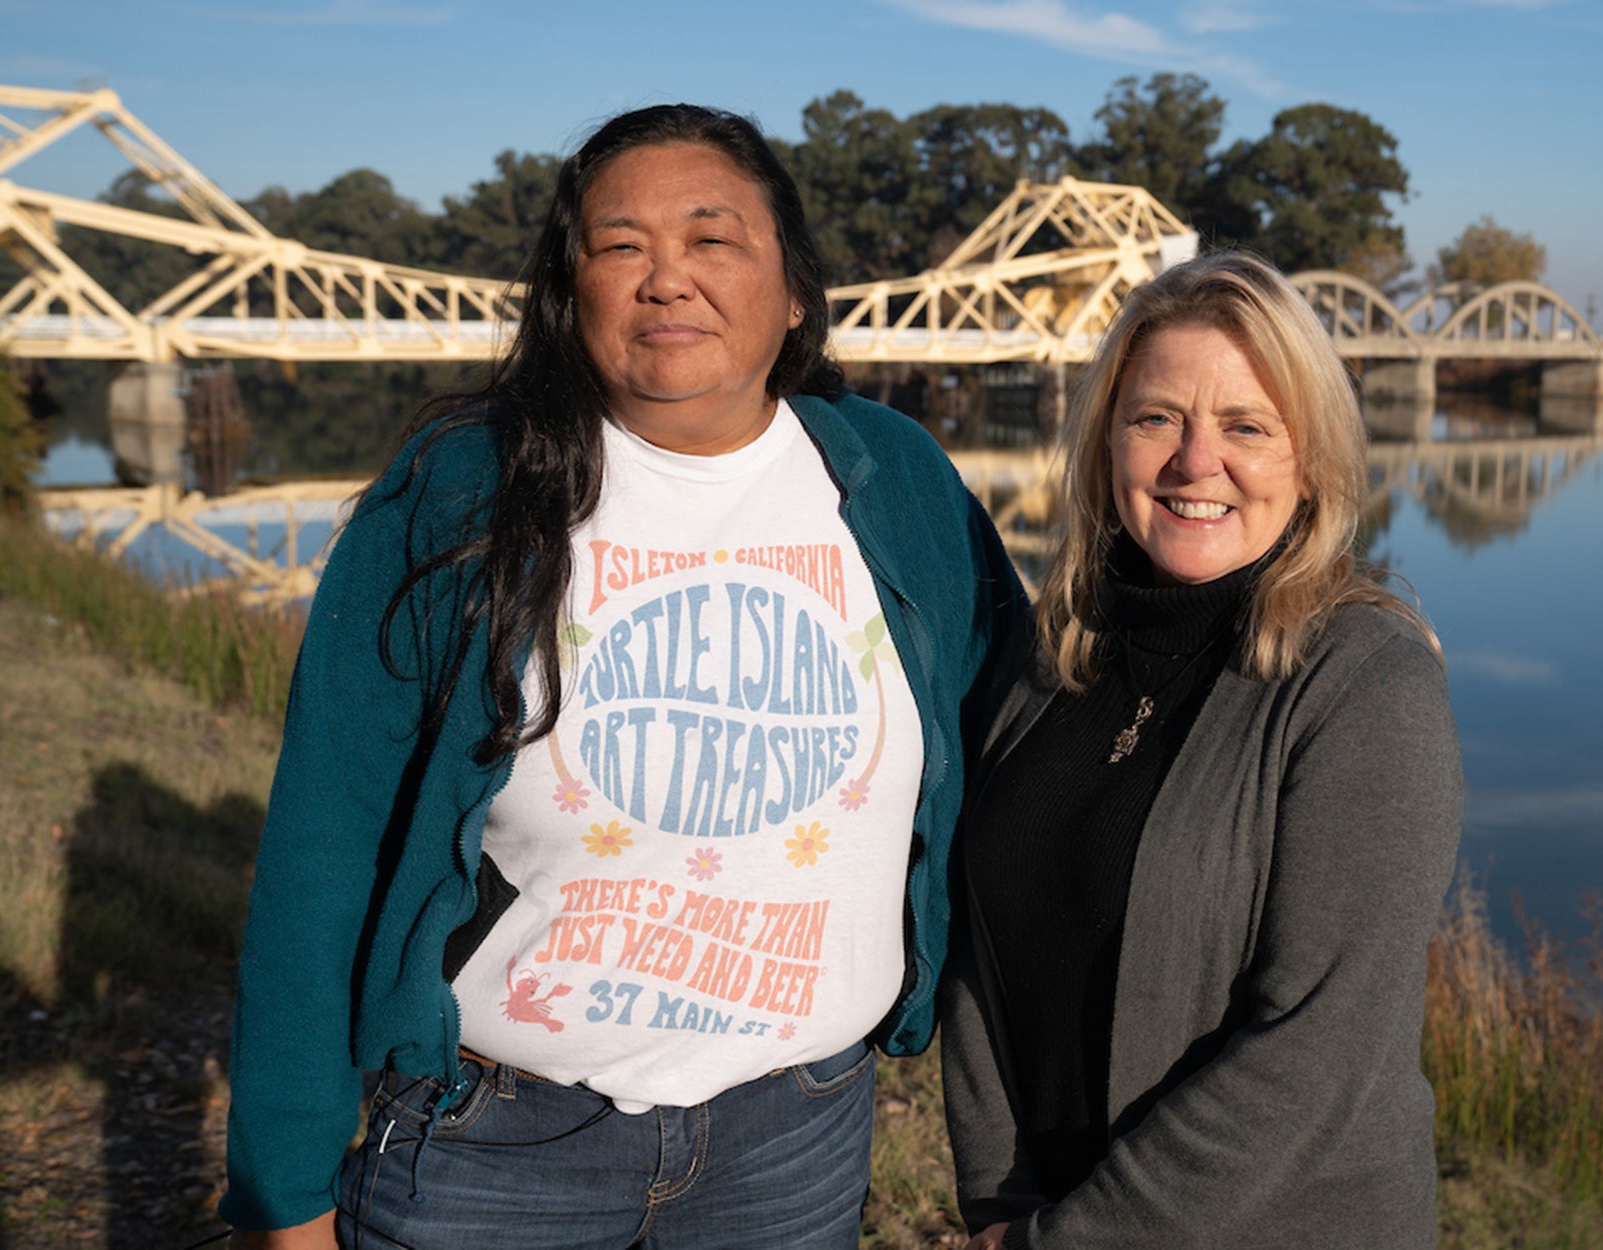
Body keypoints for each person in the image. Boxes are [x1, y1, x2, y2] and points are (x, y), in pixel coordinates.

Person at [219, 104, 1024, 1249]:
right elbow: (321, 845)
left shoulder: (895, 477)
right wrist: (283, 1189)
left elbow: (1019, 751)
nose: (666, 279)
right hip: (490, 1144)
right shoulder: (460, 492)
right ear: (570, 292)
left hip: (793, 1136)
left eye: (711, 239)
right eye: (619, 245)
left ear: (793, 288)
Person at [940, 251, 1463, 1248]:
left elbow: (1317, 1046)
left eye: (1246, 427)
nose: (1192, 461)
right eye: (1155, 419)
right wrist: (996, 1191)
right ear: (1103, 442)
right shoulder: (1051, 657)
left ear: (1309, 459)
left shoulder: (1364, 680)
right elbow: (980, 930)